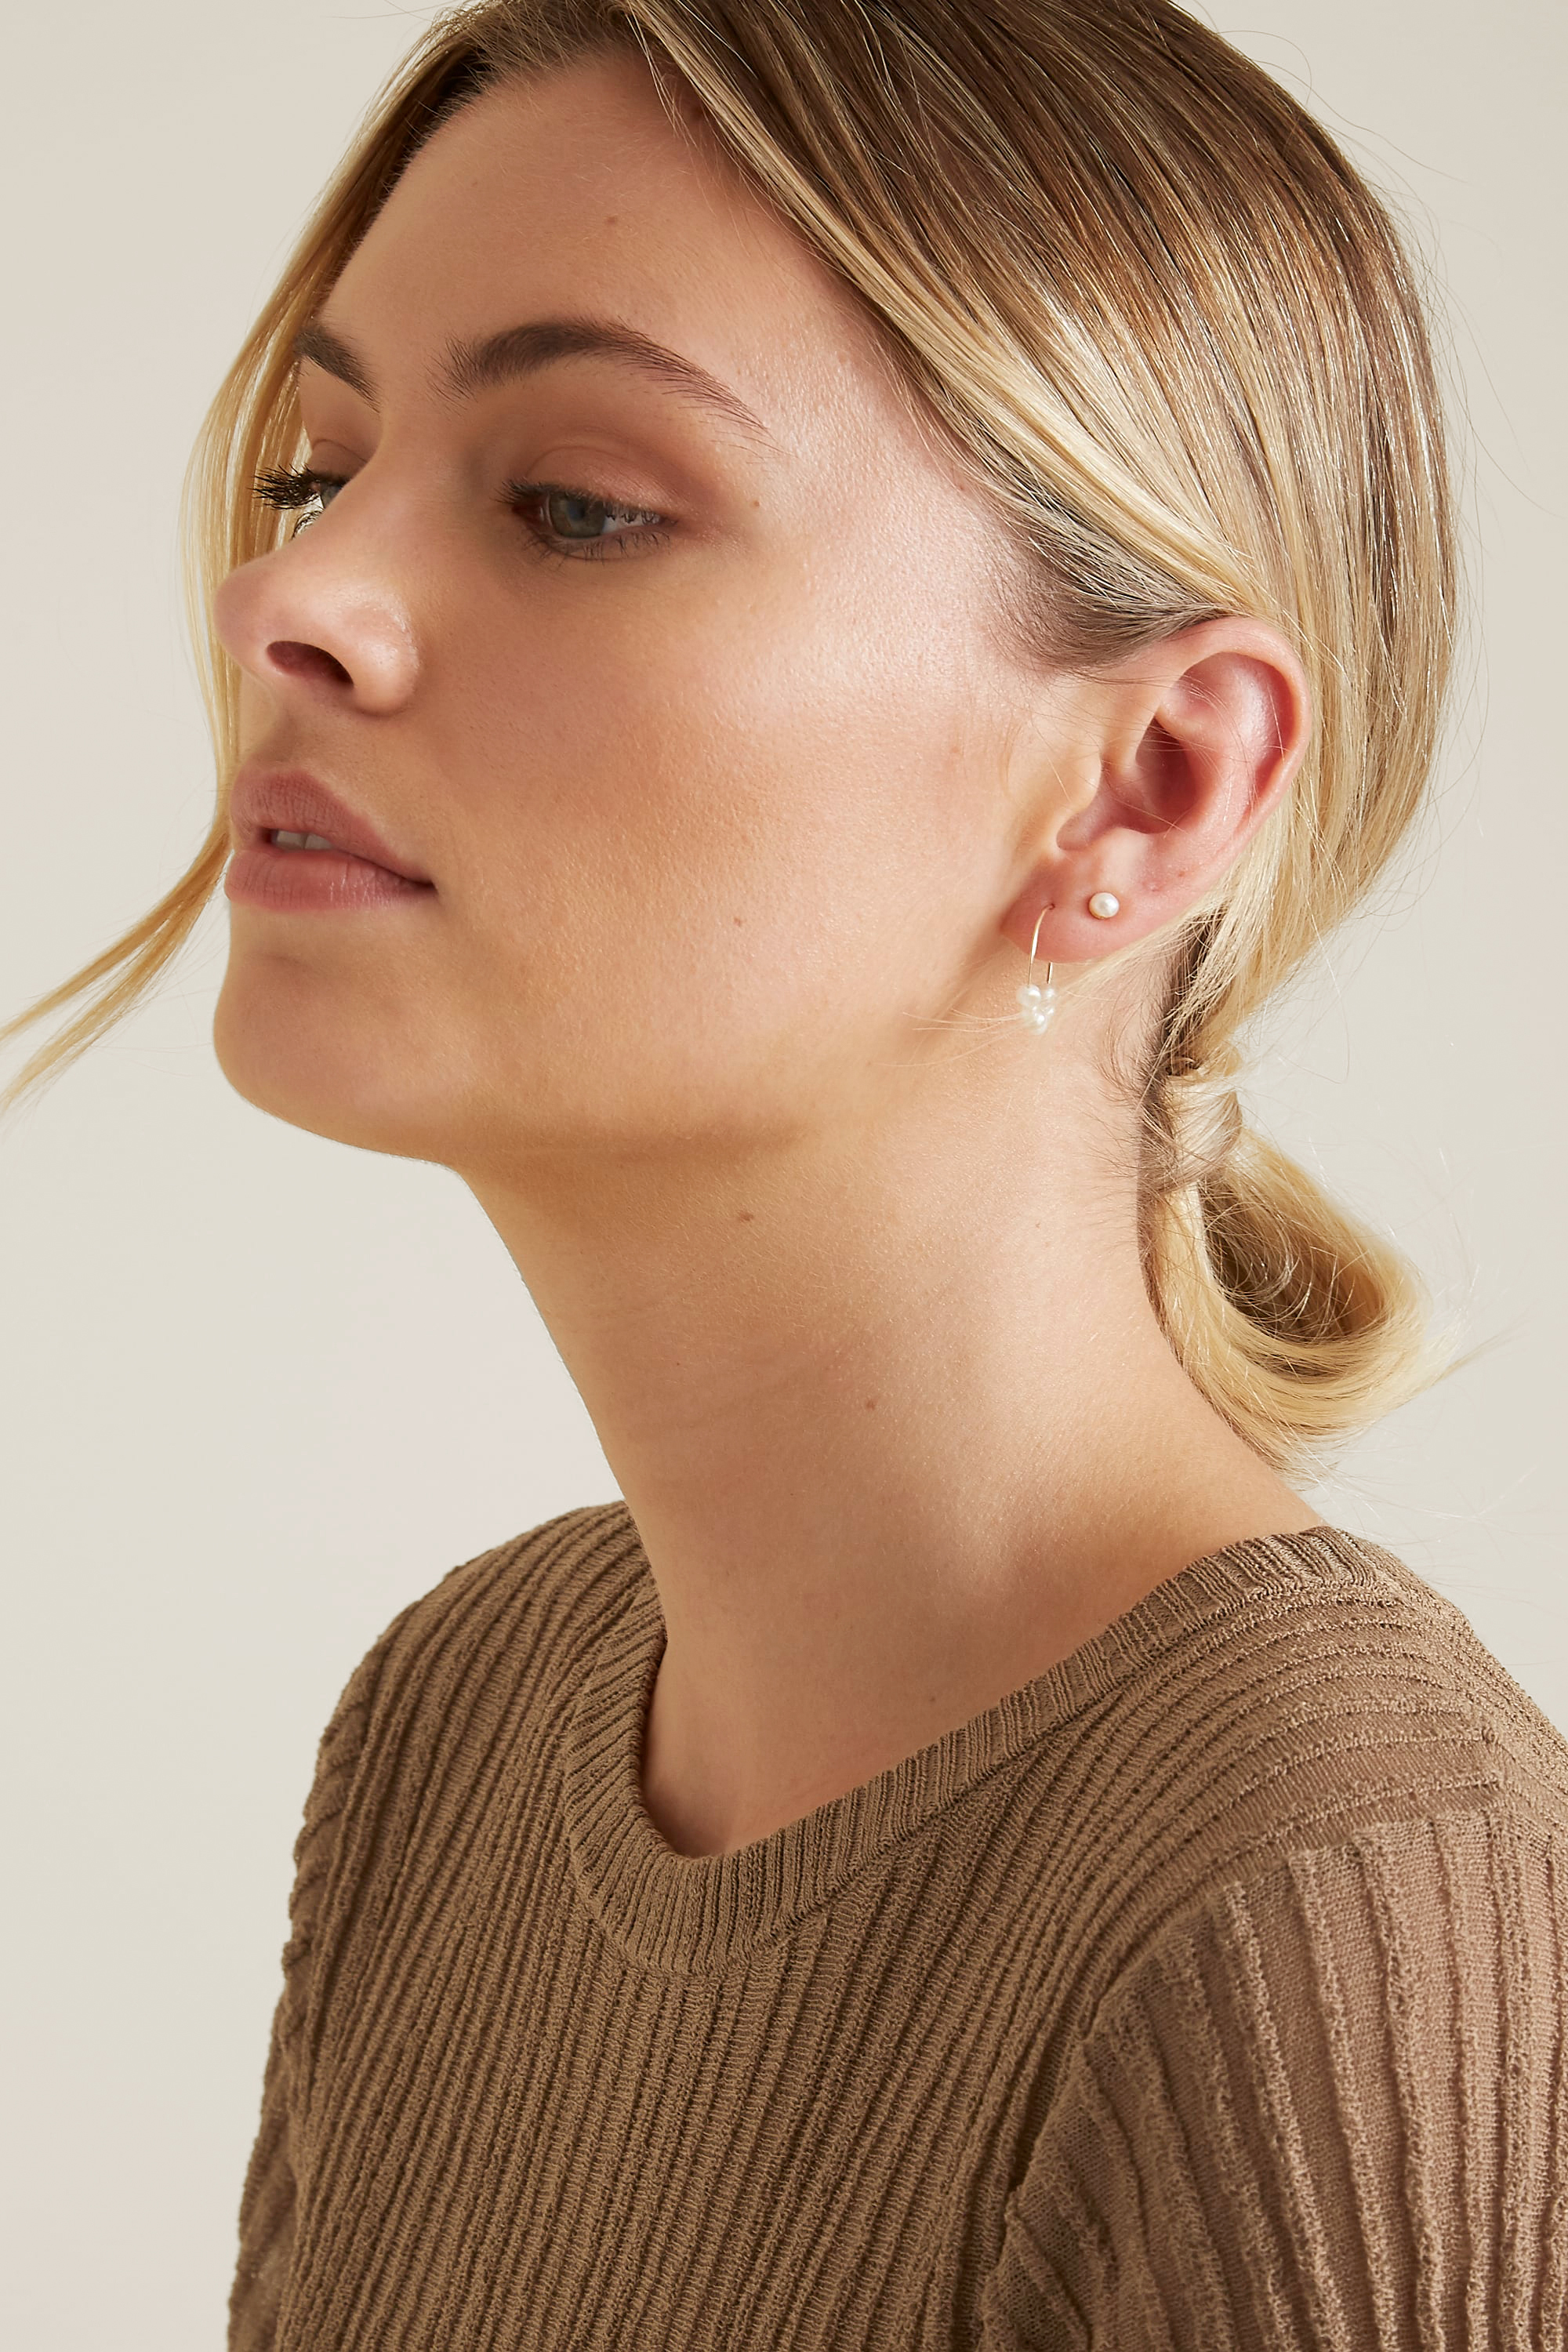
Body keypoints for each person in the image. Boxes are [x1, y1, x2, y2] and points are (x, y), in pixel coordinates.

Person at [5, 2, 1565, 2344]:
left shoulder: (1337, 1914)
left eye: (576, 504)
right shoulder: (458, 1733)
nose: (284, 602)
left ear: (1150, 784)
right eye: (320, 475)